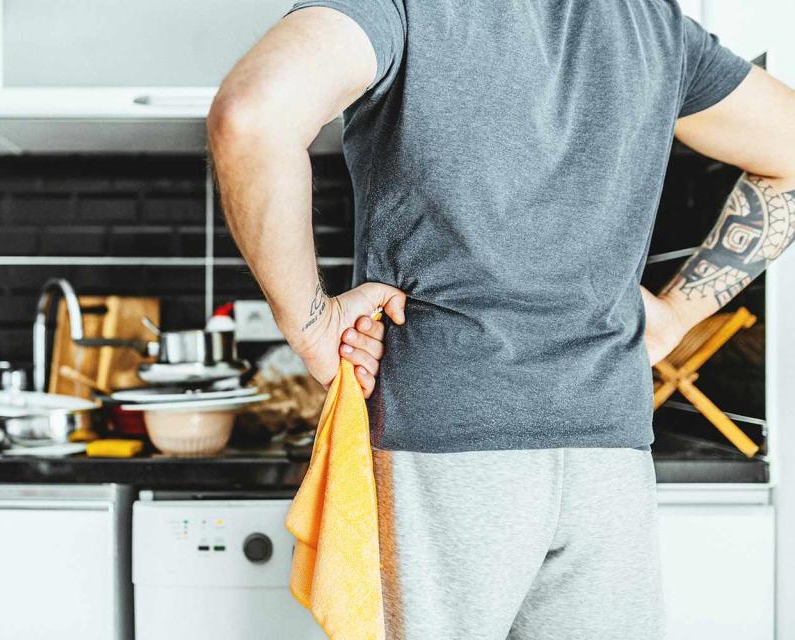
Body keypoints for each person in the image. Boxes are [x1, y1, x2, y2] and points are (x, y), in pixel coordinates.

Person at [208, 1, 795, 638]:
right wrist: (678, 312)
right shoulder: (649, 19)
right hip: (608, 452)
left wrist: (312, 325)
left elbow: (253, 114)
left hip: (441, 446)